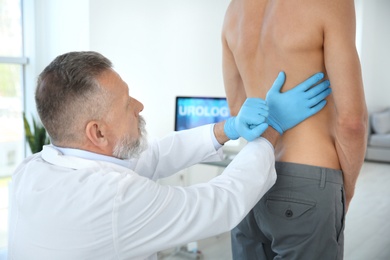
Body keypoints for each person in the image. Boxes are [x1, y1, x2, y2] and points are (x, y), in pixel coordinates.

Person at [8, 51, 330, 260]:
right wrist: (270, 129)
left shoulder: (31, 171)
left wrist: (228, 129)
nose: (139, 107)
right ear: (98, 133)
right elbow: (223, 202)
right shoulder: (113, 199)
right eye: (126, 104)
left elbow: (154, 157)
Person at [221, 0, 368, 259]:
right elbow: (352, 122)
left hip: (249, 174)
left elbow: (237, 109)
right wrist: (347, 188)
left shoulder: (234, 10)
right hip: (309, 178)